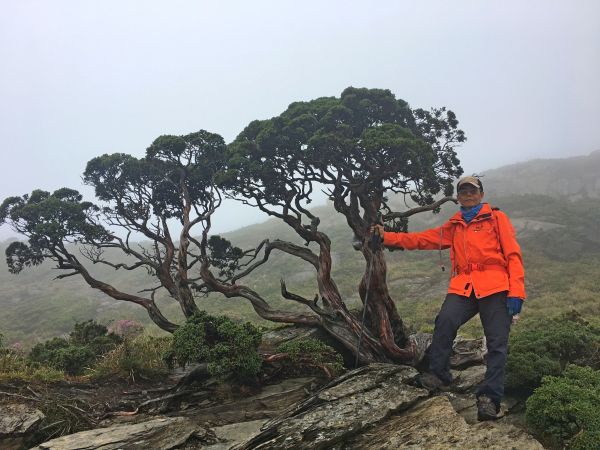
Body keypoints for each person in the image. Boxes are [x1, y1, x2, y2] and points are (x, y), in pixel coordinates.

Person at [371, 176, 525, 421]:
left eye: (472, 190)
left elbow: (513, 254)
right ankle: (439, 374)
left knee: (497, 343)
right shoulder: (453, 227)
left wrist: (517, 291)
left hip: (496, 286)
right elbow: (419, 240)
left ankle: (489, 399)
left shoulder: (497, 219)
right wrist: (386, 237)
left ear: (481, 194)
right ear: (458, 196)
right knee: (444, 321)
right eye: (463, 191)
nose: (468, 194)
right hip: (464, 286)